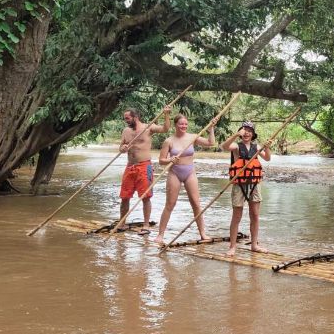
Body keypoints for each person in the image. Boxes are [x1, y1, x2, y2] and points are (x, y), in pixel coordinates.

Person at [153, 114, 216, 244]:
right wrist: (170, 159)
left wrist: (211, 130)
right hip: (174, 173)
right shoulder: (169, 141)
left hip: (189, 172)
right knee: (170, 204)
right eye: (181, 124)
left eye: (185, 124)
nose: (184, 126)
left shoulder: (192, 137)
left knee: (196, 203)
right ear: (175, 125)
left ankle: (203, 233)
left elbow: (211, 143)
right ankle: (160, 234)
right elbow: (161, 161)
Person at [116, 106, 171, 233]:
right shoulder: (126, 131)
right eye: (125, 119)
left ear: (135, 117)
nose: (126, 121)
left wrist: (166, 115)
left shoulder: (148, 127)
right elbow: (121, 148)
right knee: (124, 196)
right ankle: (122, 223)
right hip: (130, 166)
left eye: (128, 118)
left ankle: (146, 225)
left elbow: (165, 129)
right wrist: (123, 148)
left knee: (145, 197)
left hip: (144, 166)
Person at [220, 121, 271, 256]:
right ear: (241, 132)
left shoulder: (256, 147)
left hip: (254, 184)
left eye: (249, 130)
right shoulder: (237, 146)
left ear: (253, 134)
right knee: (237, 216)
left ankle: (254, 245)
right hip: (239, 184)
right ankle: (232, 247)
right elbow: (224, 146)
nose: (247, 132)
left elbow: (267, 158)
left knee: (254, 215)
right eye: (244, 130)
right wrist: (235, 134)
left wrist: (267, 148)